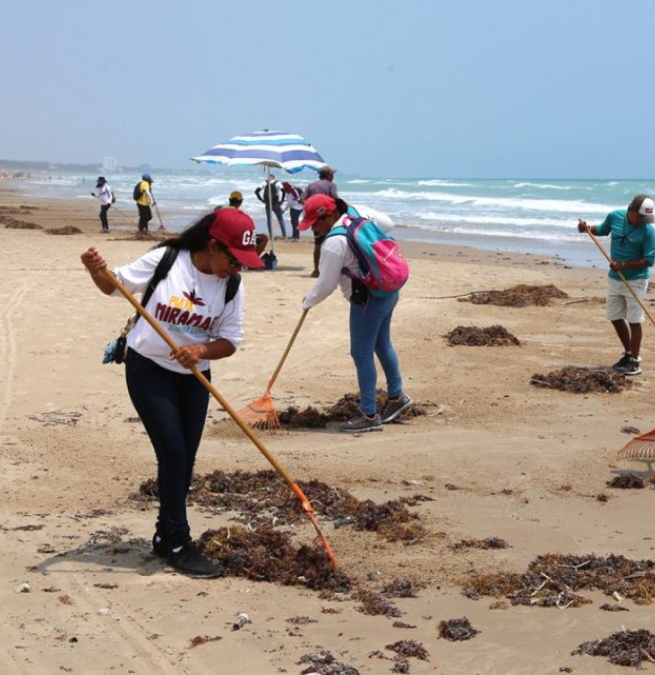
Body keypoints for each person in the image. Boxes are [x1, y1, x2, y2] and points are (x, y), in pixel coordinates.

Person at [79, 208, 264, 577]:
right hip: (149, 369)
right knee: (174, 453)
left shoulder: (230, 285)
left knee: (184, 460)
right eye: (233, 259)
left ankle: (165, 536)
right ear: (212, 247)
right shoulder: (167, 260)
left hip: (194, 377)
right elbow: (113, 286)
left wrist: (200, 351)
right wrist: (96, 269)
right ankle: (179, 541)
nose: (237, 268)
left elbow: (229, 341)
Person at [299, 194, 412, 433]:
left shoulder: (334, 242)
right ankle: (397, 397)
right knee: (382, 344)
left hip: (368, 299)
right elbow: (388, 224)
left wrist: (307, 302)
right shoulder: (357, 213)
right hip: (389, 287)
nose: (313, 229)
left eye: (315, 223)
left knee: (361, 353)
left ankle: (369, 415)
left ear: (328, 215)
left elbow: (326, 284)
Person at [576, 194, 655, 375]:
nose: (644, 222)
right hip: (615, 278)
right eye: (641, 217)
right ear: (631, 211)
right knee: (614, 316)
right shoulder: (615, 216)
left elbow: (649, 260)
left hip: (636, 280)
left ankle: (635, 361)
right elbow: (602, 230)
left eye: (647, 218)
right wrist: (586, 228)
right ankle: (628, 354)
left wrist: (624, 265)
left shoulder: (648, 231)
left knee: (635, 319)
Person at [255, 174, 287, 239]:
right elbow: (284, 191)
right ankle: (284, 235)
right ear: (274, 178)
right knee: (280, 219)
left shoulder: (264, 182)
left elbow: (256, 191)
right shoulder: (278, 183)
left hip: (267, 203)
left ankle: (271, 235)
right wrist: (282, 200)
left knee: (269, 219)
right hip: (276, 203)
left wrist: (261, 199)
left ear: (269, 178)